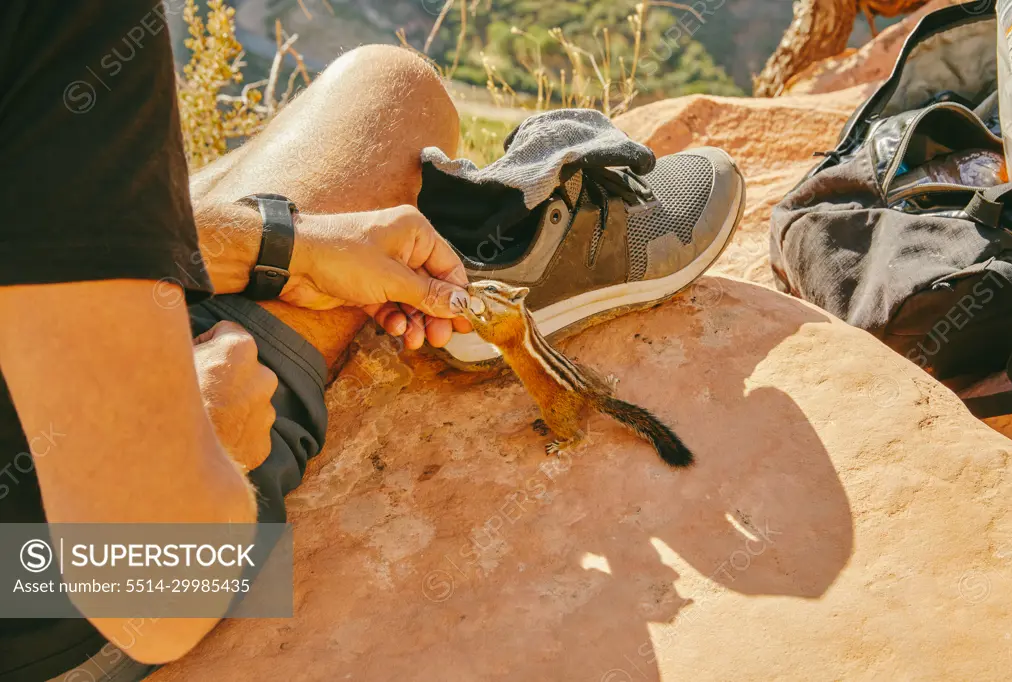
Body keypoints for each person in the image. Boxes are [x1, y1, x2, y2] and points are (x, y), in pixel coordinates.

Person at [2, 5, 745, 681]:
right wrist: (207, 427)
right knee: (394, 102)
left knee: (383, 83)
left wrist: (281, 243)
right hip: (38, 600)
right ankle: (497, 268)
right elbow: (146, 590)